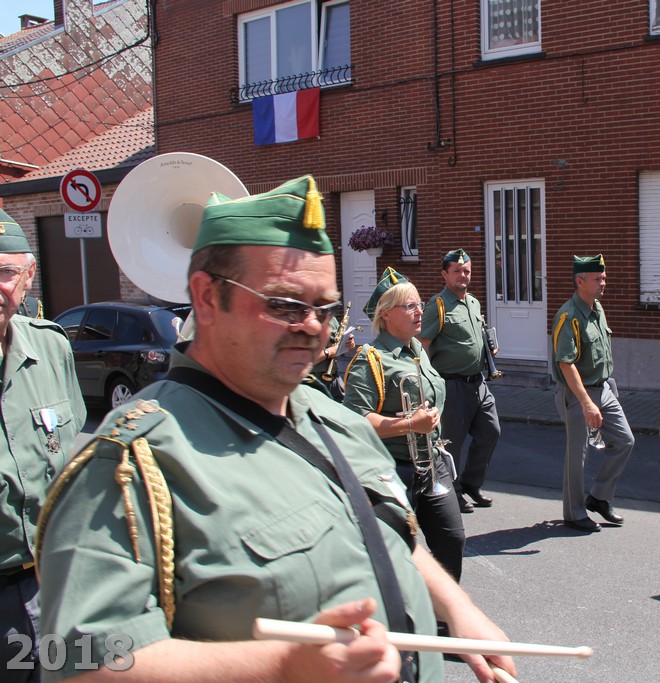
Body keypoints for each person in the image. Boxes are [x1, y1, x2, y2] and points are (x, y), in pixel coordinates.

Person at [35, 178, 515, 682]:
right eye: (285, 305)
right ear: (206, 298)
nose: (313, 326)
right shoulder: (129, 465)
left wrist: (457, 608)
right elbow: (79, 662)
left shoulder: (335, 420)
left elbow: (391, 535)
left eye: (326, 309)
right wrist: (283, 666)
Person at [0, 209, 86, 682]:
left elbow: (72, 455)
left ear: (28, 277)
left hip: (56, 584)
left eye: (5, 272)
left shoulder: (52, 348)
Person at [344, 267, 466, 582]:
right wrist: (411, 424)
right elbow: (357, 420)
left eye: (419, 304)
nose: (419, 311)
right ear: (386, 314)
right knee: (396, 553)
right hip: (393, 471)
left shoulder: (418, 351)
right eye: (409, 306)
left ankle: (442, 610)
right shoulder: (371, 358)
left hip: (432, 464)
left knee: (452, 540)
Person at [550, 255, 634, 533]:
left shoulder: (597, 308)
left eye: (604, 278)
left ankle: (599, 497)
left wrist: (607, 391)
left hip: (604, 388)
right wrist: (586, 403)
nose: (603, 282)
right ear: (580, 281)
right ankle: (574, 513)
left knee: (624, 441)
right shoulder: (569, 316)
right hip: (578, 393)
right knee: (578, 456)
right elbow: (566, 363)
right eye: (597, 279)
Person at [418, 249, 501, 514]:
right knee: (451, 442)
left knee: (491, 432)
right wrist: (428, 386)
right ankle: (452, 491)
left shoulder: (473, 302)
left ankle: (471, 483)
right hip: (452, 385)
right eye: (457, 271)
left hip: (479, 383)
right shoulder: (437, 306)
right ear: (445, 274)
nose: (463, 275)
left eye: (466, 271)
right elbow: (422, 345)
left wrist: (489, 349)